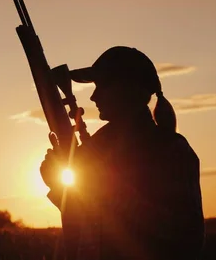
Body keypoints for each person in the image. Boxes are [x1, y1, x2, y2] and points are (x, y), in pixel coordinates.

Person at [40, 46, 205, 260]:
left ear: (128, 89)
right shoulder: (99, 144)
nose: (93, 96)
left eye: (103, 86)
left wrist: (110, 189)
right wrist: (58, 185)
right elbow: (88, 221)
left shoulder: (171, 149)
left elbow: (185, 236)